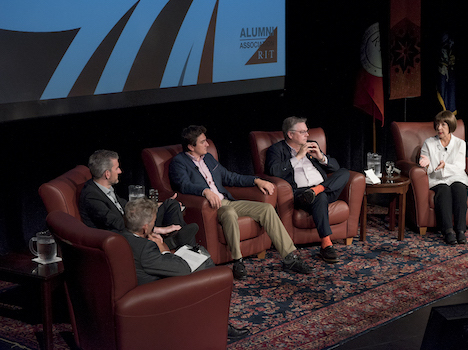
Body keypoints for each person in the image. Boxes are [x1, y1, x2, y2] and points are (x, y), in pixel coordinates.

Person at [169, 125, 312, 280]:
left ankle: (289, 257)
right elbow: (183, 185)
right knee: (229, 213)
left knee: (266, 209)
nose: (207, 144)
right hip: (213, 207)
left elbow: (230, 177)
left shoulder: (208, 158)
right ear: (191, 146)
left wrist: (256, 180)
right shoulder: (179, 162)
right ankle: (238, 261)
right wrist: (205, 191)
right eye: (203, 142)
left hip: (227, 201)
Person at [121, 198, 249, 340]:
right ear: (145, 228)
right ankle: (221, 326)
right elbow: (182, 269)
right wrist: (164, 249)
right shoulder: (145, 248)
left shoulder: (121, 236)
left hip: (142, 284)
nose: (153, 225)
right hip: (156, 291)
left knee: (199, 256)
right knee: (207, 265)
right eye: (153, 223)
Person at [265, 116, 350, 263]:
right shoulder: (277, 149)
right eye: (303, 132)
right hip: (300, 194)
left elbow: (335, 168)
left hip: (324, 189)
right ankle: (326, 244)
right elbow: (274, 171)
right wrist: (298, 157)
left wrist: (321, 157)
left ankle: (317, 189)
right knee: (320, 197)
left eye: (307, 131)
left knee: (345, 172)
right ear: (290, 134)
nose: (307, 135)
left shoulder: (312, 145)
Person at [79, 149, 198, 250]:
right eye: (117, 168)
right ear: (107, 174)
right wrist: (155, 229)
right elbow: (116, 223)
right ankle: (182, 246)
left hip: (133, 223)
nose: (120, 171)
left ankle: (180, 240)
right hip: (121, 234)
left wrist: (153, 206)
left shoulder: (105, 188)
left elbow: (125, 206)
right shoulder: (92, 196)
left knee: (170, 204)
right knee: (182, 235)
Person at [418, 110, 468, 245]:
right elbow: (426, 166)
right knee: (444, 190)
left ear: (450, 126)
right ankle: (448, 231)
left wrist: (445, 165)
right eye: (438, 124)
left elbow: (460, 166)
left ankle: (460, 231)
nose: (439, 128)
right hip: (437, 178)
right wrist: (427, 164)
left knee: (459, 189)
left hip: (456, 176)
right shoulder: (428, 143)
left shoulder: (460, 143)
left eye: (443, 125)